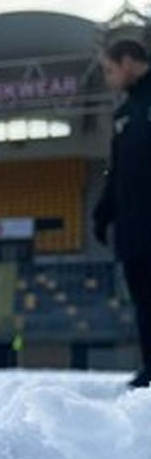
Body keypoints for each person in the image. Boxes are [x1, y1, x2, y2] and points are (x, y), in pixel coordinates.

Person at [93, 39, 151, 389]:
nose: (109, 78)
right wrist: (103, 214)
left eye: (110, 70)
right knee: (144, 298)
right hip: (134, 228)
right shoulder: (123, 116)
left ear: (128, 62)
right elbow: (114, 174)